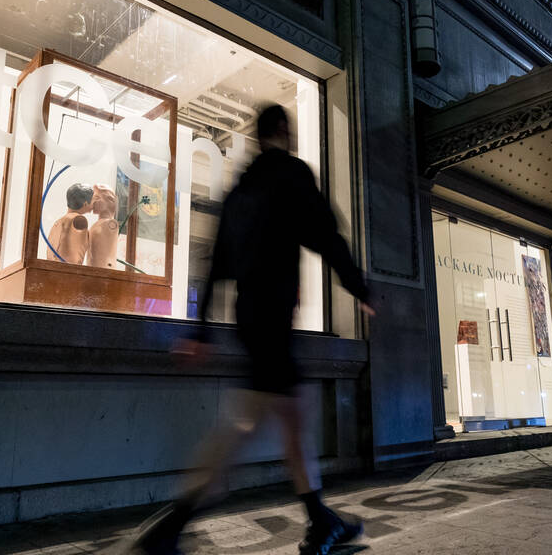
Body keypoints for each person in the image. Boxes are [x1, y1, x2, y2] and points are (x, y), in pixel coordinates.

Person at [131, 104, 375, 555]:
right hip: (274, 318)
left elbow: (217, 261)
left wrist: (202, 327)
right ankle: (174, 526)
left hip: (251, 318)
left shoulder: (241, 188)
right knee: (251, 425)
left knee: (287, 418)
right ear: (283, 131)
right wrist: (358, 286)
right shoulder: (290, 174)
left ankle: (320, 521)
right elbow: (325, 234)